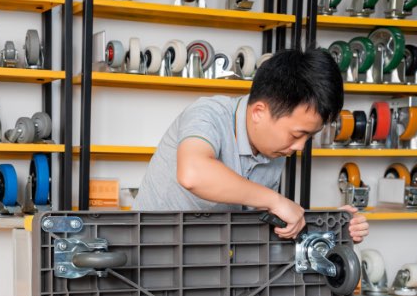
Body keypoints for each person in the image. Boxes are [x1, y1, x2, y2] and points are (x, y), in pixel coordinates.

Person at [132, 48, 369, 243]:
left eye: (309, 137)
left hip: (213, 262)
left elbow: (265, 224)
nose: (300, 147)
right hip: (153, 254)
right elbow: (193, 174)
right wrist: (276, 200)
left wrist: (335, 228)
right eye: (298, 134)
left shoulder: (273, 149)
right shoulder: (207, 114)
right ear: (258, 112)